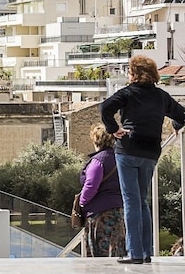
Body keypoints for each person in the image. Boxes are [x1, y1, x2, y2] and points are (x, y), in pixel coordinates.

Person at [101, 54, 185, 264]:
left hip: (128, 149)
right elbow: (182, 114)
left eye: (129, 71)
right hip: (150, 153)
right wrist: (175, 126)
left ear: (136, 74)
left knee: (131, 201)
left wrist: (114, 129)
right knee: (142, 201)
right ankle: (146, 252)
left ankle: (135, 253)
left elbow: (105, 108)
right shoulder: (161, 96)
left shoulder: (128, 94)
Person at [79, 124, 126, 257]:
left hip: (99, 215)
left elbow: (91, 186)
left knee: (99, 255)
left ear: (96, 140)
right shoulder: (121, 158)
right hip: (119, 212)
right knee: (117, 251)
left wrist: (81, 203)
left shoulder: (99, 160)